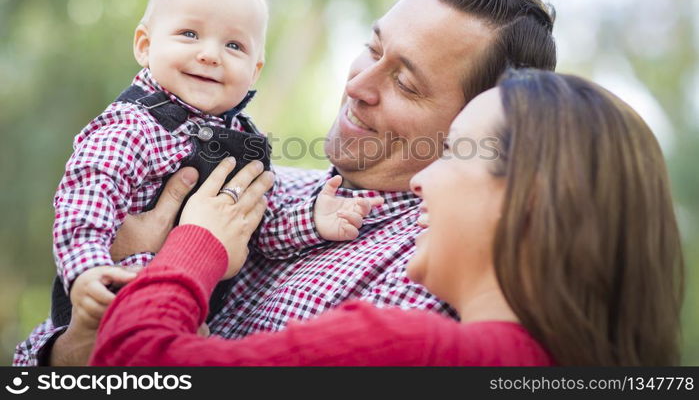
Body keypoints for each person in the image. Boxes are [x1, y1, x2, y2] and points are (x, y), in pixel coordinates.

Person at [14, 0, 557, 366]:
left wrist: (186, 246)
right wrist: (67, 349)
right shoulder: (274, 186)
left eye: (406, 84)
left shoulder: (427, 275)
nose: (359, 84)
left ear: (479, 120)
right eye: (372, 48)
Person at [90, 69, 684, 366]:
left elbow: (133, 363)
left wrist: (195, 242)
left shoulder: (405, 347)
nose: (423, 179)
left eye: (456, 153)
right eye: (373, 49)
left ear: (527, 201)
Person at [33, 0, 382, 347]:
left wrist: (313, 218)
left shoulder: (244, 141)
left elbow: (260, 226)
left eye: (234, 45)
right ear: (145, 46)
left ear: (254, 71)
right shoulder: (133, 127)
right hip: (107, 300)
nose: (210, 54)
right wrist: (87, 269)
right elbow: (86, 200)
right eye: (189, 34)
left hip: (181, 319)